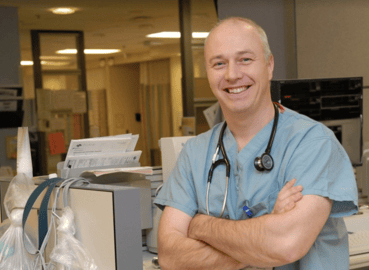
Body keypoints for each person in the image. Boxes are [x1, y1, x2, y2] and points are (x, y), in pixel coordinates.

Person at [153, 16, 358, 270]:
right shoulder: (195, 154)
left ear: (269, 65)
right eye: (219, 63)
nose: (232, 74)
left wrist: (201, 225)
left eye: (245, 60)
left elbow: (286, 244)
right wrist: (265, 234)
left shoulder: (312, 144)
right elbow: (171, 257)